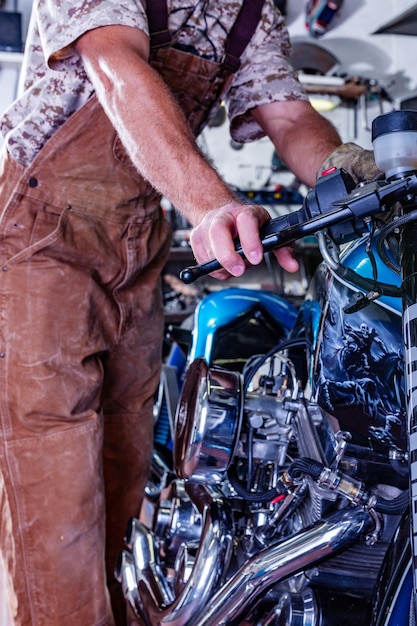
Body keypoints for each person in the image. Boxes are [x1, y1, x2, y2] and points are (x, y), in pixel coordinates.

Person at [0, 1, 380, 625]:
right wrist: (211, 206)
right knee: (55, 488)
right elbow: (116, 65)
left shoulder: (250, 11)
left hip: (138, 242)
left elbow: (287, 114)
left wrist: (350, 179)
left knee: (126, 470)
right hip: (43, 238)